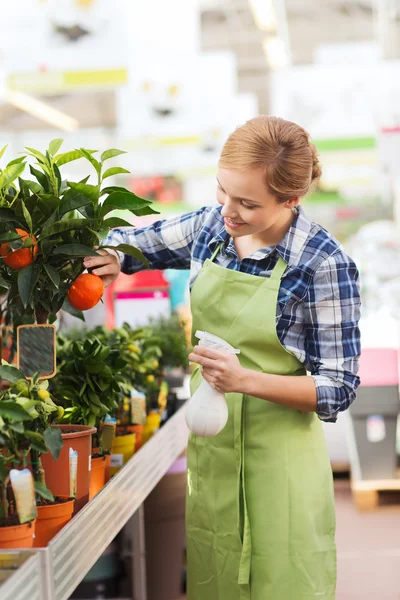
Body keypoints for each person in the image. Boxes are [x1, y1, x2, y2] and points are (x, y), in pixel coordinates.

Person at [84, 116, 361, 599]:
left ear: (290, 200)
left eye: (248, 203)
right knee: (215, 580)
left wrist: (243, 380)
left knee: (284, 581)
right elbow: (142, 245)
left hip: (281, 464)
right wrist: (111, 258)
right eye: (223, 191)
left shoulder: (321, 263)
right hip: (213, 452)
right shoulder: (213, 229)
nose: (228, 211)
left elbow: (338, 388)